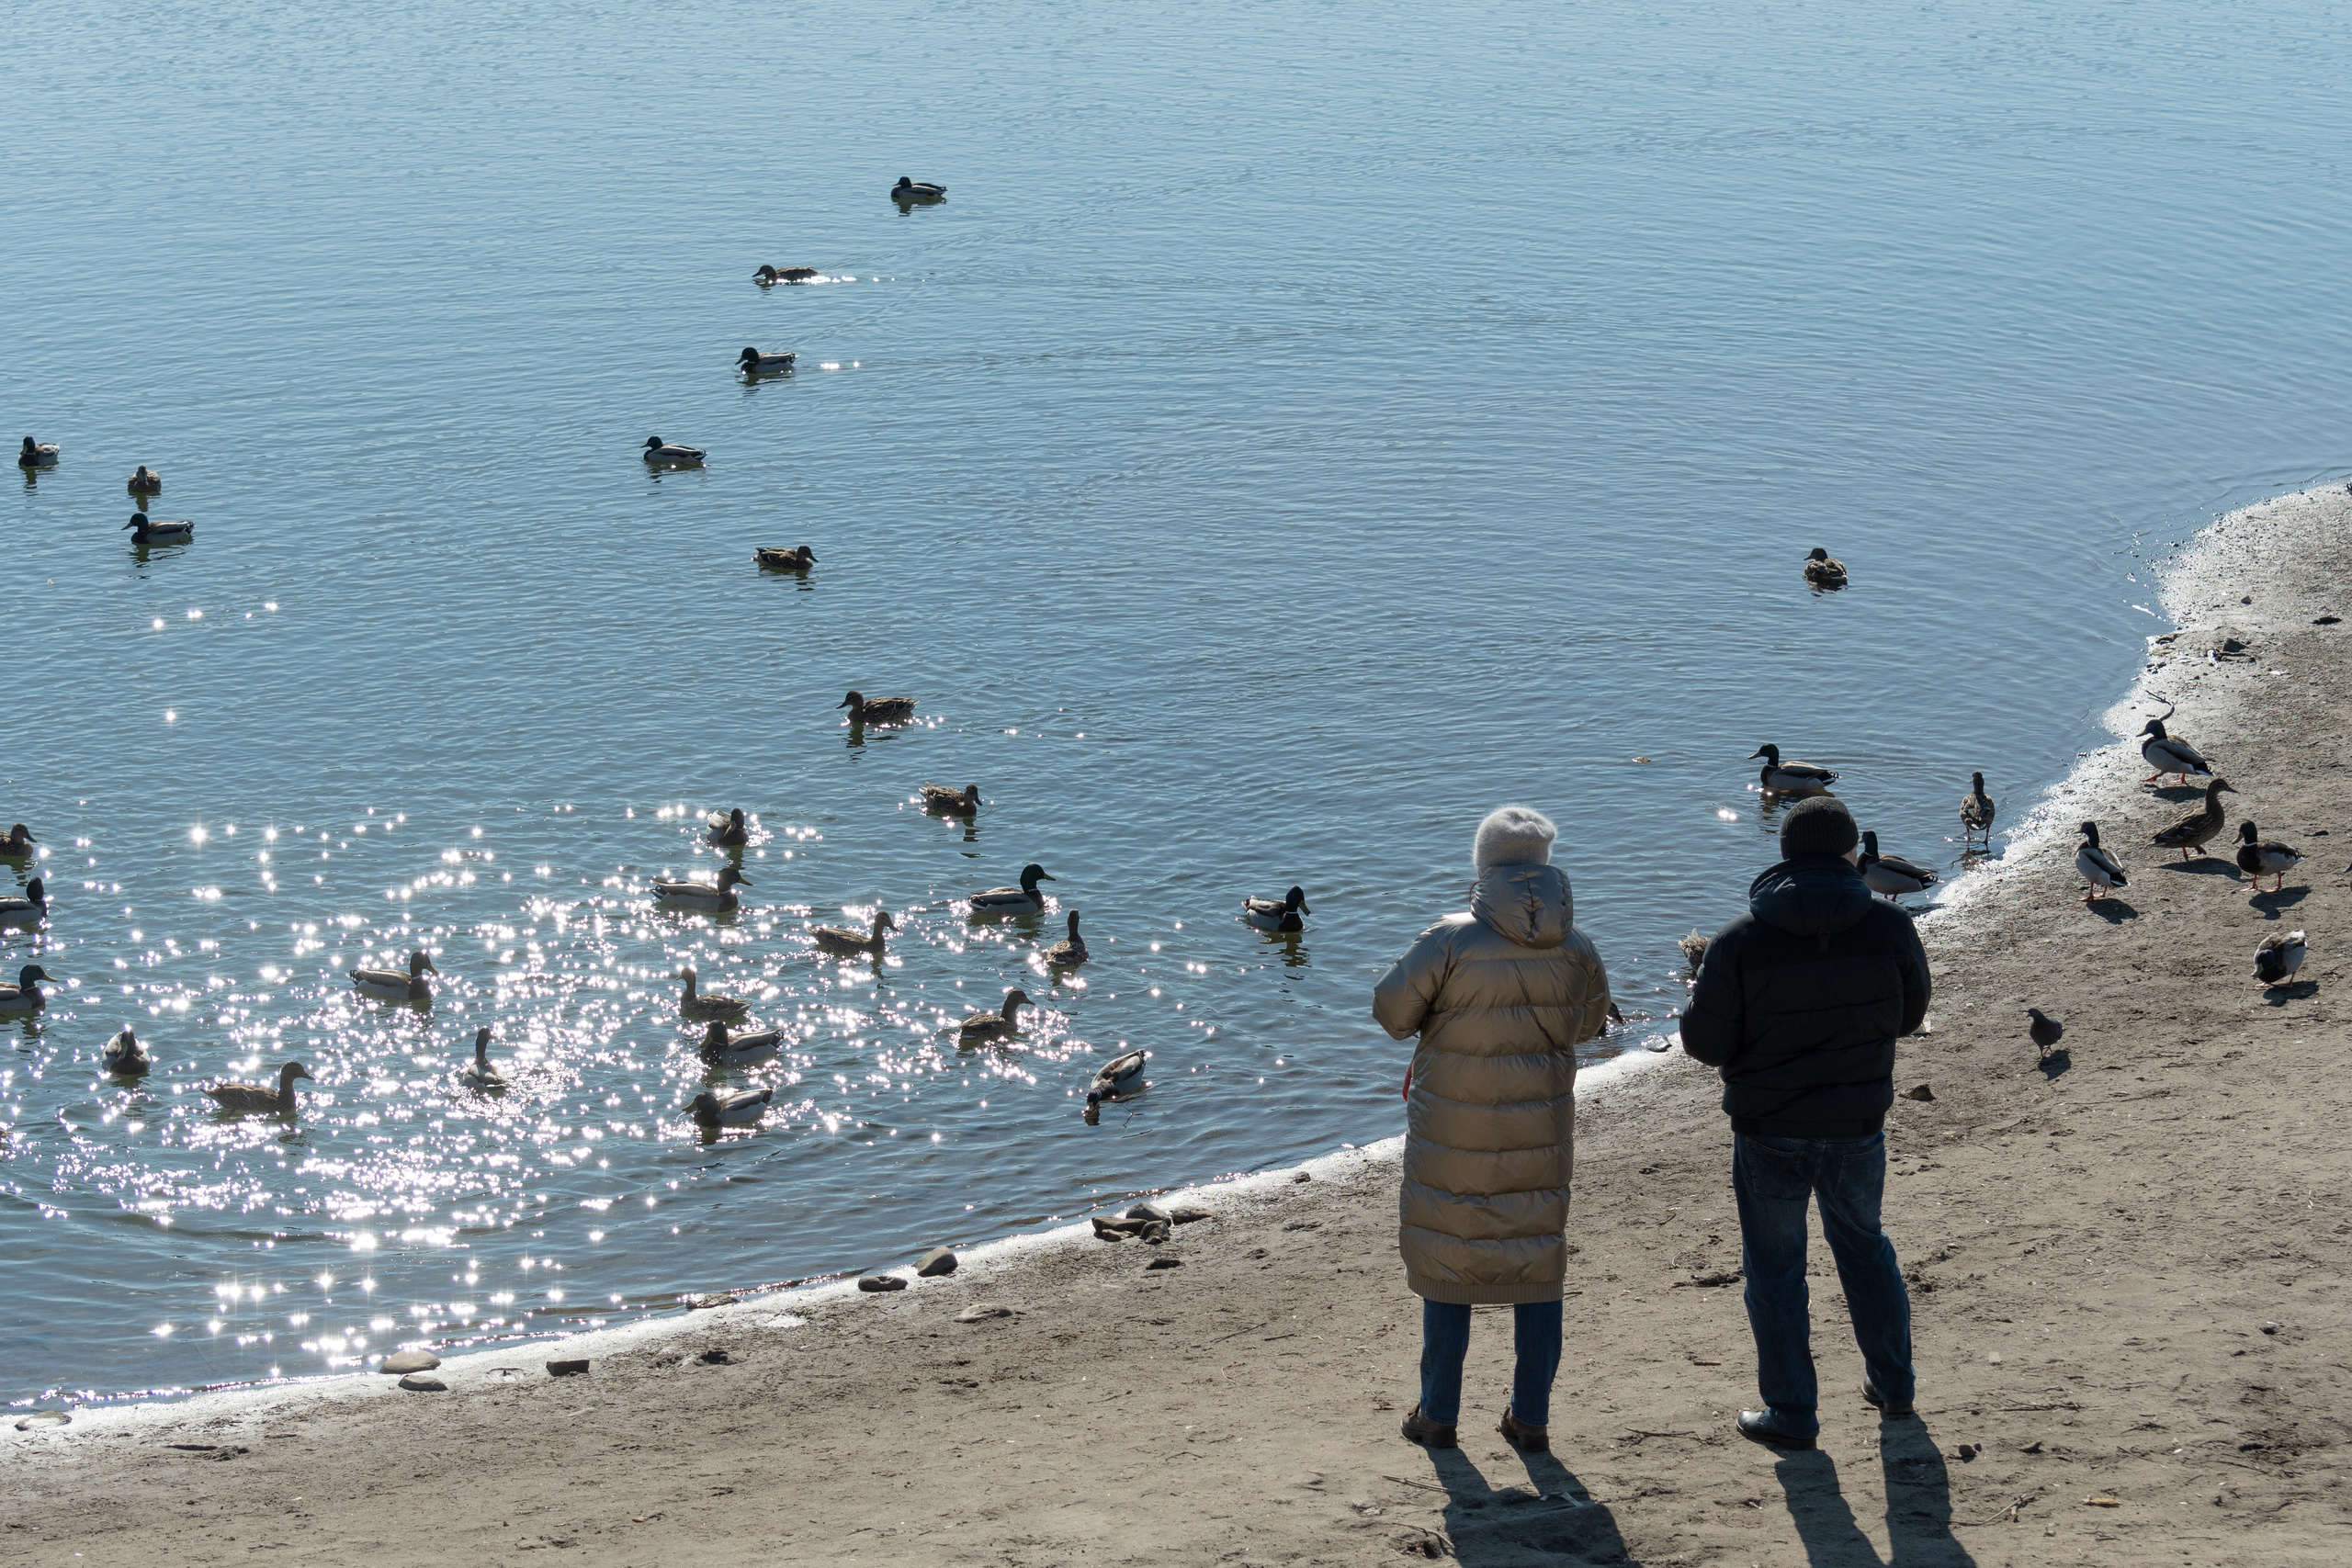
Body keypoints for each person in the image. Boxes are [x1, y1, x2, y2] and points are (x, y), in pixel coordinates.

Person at [1679, 795, 1930, 1450]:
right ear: (1851, 854)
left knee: (1776, 1269)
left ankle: (1792, 1412)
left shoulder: (1739, 940)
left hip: (1769, 1129)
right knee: (1866, 1249)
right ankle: (1894, 1385)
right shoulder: (1889, 929)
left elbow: (1705, 1046)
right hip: (1855, 1122)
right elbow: (1907, 1017)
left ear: (1784, 855)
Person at [1373, 805, 1613, 1453]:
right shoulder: (1578, 945)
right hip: (1540, 1131)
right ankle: (1529, 1418)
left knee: (1452, 1257)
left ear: (1483, 865)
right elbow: (1589, 1026)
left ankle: (1438, 1415)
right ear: (1545, 865)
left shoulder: (1448, 939)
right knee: (1535, 1260)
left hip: (1454, 1130)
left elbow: (1391, 1012)